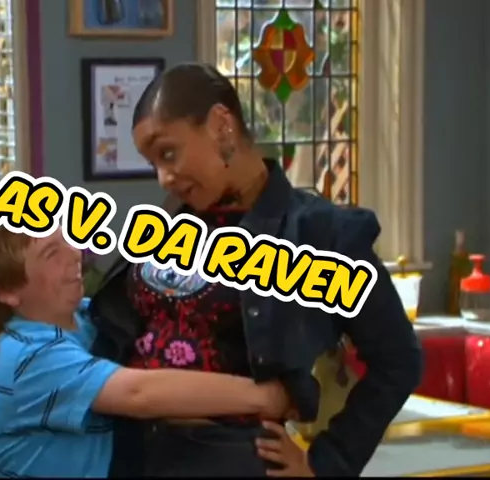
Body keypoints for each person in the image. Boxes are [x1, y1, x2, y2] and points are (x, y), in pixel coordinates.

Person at [89, 62, 423, 477]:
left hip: (230, 462)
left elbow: (398, 359)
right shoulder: (168, 223)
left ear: (221, 126)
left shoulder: (319, 233)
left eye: (168, 153)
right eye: (153, 163)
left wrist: (328, 463)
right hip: (131, 454)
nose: (163, 178)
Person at [0, 214, 291, 478]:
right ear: (7, 292)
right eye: (51, 253)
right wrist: (266, 397)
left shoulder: (88, 319)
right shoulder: (27, 356)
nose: (75, 253)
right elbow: (139, 393)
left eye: (67, 239)